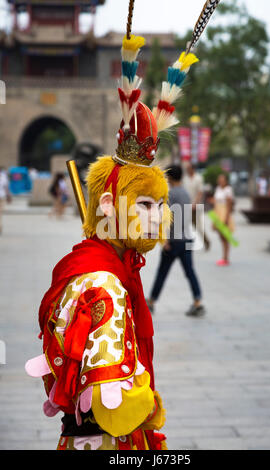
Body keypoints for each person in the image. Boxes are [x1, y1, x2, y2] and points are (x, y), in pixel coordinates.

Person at [25, 29, 201, 451]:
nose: (159, 217)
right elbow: (115, 400)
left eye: (159, 206)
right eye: (144, 205)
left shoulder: (90, 266)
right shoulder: (104, 283)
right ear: (107, 205)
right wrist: (150, 404)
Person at [147, 165, 205, 318]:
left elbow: (167, 218)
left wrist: (164, 239)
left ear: (170, 177)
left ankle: (151, 301)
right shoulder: (186, 193)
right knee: (190, 272)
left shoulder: (170, 194)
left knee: (162, 272)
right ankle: (197, 301)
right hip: (186, 238)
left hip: (174, 241)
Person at [183, 161, 210, 250]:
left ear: (193, 169)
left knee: (198, 226)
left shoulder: (198, 178)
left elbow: (200, 192)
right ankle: (188, 243)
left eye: (189, 168)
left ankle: (206, 242)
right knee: (186, 226)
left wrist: (195, 203)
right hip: (186, 206)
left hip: (196, 206)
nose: (188, 170)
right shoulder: (185, 179)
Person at [212, 173, 235, 266]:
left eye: (222, 179)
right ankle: (224, 256)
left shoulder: (228, 190)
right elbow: (215, 202)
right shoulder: (218, 189)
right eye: (219, 179)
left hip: (224, 212)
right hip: (218, 212)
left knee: (225, 236)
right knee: (221, 236)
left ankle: (226, 257)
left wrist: (226, 217)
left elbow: (229, 204)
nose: (220, 181)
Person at [0, 167, 11, 235]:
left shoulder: (4, 177)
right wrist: (9, 196)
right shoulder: (3, 177)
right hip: (2, 196)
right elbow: (6, 188)